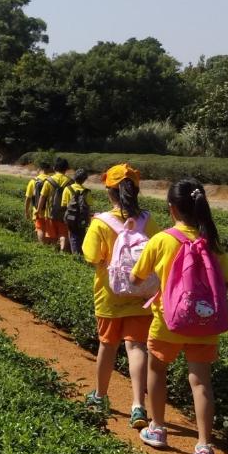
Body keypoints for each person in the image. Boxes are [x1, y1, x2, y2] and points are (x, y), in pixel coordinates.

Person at [132, 179, 228, 454]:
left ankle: (158, 428)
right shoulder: (212, 241)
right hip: (205, 324)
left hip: (169, 321)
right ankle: (204, 447)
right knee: (201, 381)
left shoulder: (163, 239)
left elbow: (135, 279)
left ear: (172, 209)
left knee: (157, 370)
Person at [81, 164, 153, 426]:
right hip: (141, 295)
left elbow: (91, 257)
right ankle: (138, 406)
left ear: (109, 191)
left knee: (107, 346)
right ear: (136, 190)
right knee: (136, 348)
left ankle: (100, 396)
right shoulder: (147, 220)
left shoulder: (101, 223)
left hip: (109, 296)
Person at [38, 159, 74, 250]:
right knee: (63, 234)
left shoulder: (48, 181)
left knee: (52, 235)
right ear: (66, 169)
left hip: (50, 212)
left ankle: (54, 252)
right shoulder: (70, 181)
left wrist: (38, 210)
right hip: (64, 212)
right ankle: (63, 251)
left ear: (54, 168)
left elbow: (42, 197)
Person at [63, 168, 94, 257]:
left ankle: (76, 257)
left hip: (70, 218)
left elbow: (64, 205)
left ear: (74, 177)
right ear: (84, 180)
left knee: (73, 237)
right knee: (82, 236)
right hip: (82, 218)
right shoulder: (87, 192)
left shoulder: (67, 189)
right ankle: (82, 255)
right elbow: (89, 207)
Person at [24, 159, 52, 243]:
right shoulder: (52, 181)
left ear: (40, 169)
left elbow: (28, 198)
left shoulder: (33, 181)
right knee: (49, 230)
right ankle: (49, 247)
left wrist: (26, 211)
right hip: (50, 211)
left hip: (38, 210)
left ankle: (42, 247)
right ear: (48, 169)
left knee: (40, 229)